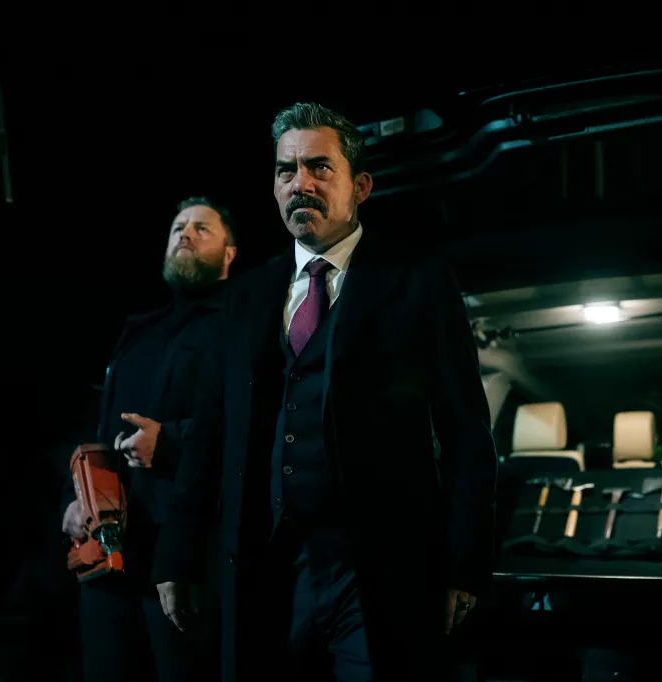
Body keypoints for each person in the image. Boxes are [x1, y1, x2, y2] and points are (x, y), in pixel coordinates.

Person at [153, 102, 498, 681]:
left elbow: (466, 433)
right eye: (286, 170)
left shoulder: (417, 280)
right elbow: (211, 434)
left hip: (376, 571)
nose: (301, 183)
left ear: (360, 186)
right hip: (268, 569)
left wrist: (464, 563)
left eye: (319, 167)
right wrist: (178, 554)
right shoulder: (246, 297)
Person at [61, 196, 237, 682]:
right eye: (178, 227)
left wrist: (171, 442)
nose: (185, 234)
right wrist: (73, 500)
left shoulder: (238, 326)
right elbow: (94, 430)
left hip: (183, 556)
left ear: (229, 254)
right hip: (111, 558)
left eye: (202, 228)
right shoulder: (139, 333)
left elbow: (249, 424)